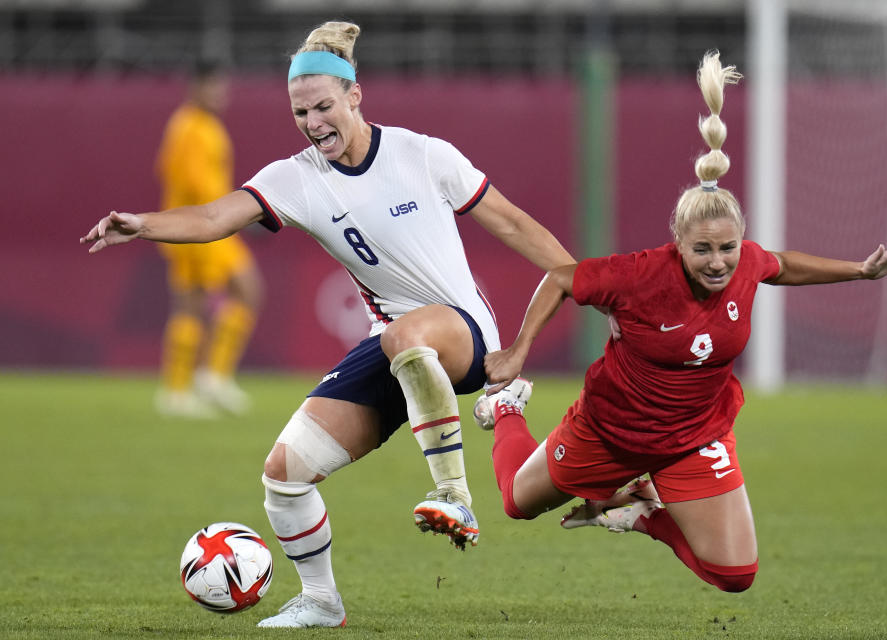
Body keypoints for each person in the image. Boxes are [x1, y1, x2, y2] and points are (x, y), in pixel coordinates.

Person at [82, 21, 576, 628]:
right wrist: (143, 223)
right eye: (300, 113)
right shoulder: (297, 178)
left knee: (404, 336)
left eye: (323, 107)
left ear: (355, 96)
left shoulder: (423, 155)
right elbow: (216, 216)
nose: (314, 123)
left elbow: (516, 225)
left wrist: (576, 292)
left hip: (463, 333)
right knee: (283, 477)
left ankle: (454, 494)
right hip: (394, 346)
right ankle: (321, 600)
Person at [475, 50, 887, 595]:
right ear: (678, 244)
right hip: (609, 431)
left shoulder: (746, 264)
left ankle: (642, 511)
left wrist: (862, 270)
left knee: (735, 576)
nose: (718, 262)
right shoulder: (638, 276)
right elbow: (561, 279)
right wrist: (518, 352)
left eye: (728, 248)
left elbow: (781, 265)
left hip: (694, 436)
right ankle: (507, 409)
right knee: (514, 503)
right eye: (703, 250)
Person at [154, 59, 264, 418]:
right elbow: (191, 182)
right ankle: (180, 389)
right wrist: (232, 214)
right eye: (213, 87)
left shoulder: (205, 126)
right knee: (196, 303)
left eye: (222, 87)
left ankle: (206, 379)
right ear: (196, 87)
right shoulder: (188, 127)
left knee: (236, 294)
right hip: (197, 228)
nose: (220, 94)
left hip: (213, 225)